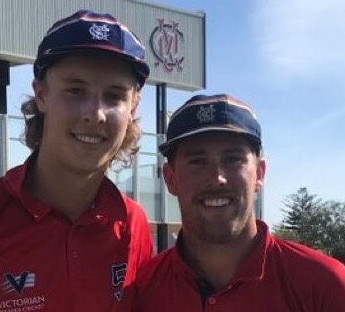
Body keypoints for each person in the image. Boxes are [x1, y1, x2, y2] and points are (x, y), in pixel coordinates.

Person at [0, 9, 153, 312]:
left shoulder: (132, 224)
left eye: (114, 96)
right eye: (75, 90)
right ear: (42, 94)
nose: (95, 114)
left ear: (133, 108)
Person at [129, 94, 345, 311]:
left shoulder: (326, 285)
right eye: (197, 161)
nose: (217, 178)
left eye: (233, 159)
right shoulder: (142, 288)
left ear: (260, 173)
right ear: (170, 178)